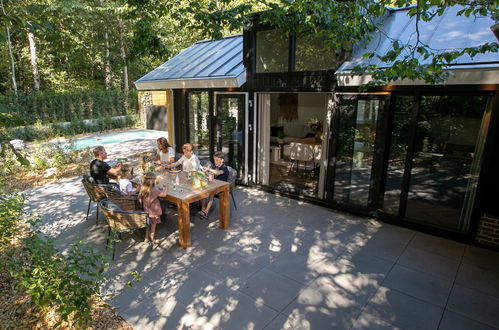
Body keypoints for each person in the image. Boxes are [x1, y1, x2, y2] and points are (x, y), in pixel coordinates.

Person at [198, 151, 229, 219]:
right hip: (214, 184)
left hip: (221, 187)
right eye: (214, 160)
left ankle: (206, 211)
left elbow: (217, 173)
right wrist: (206, 172)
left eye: (217, 160)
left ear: (222, 160)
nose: (215, 162)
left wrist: (209, 169)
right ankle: (203, 209)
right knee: (202, 191)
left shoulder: (224, 167)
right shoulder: (215, 166)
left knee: (211, 195)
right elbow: (212, 174)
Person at [138, 172, 167, 243]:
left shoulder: (142, 188)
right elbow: (164, 195)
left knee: (147, 225)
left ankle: (146, 238)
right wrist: (166, 188)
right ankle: (152, 239)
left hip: (146, 211)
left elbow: (139, 198)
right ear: (153, 180)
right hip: (154, 212)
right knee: (153, 225)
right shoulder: (154, 189)